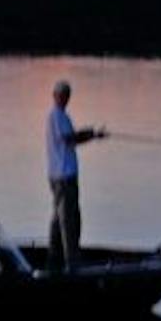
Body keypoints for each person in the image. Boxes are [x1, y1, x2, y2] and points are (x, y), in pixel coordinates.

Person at [44, 80, 106, 271]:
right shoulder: (57, 116)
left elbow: (70, 139)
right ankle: (72, 262)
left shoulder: (59, 116)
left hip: (59, 176)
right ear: (55, 95)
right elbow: (70, 139)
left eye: (67, 94)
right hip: (64, 177)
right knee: (69, 219)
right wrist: (91, 135)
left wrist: (91, 134)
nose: (65, 98)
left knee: (59, 218)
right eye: (62, 94)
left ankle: (55, 257)